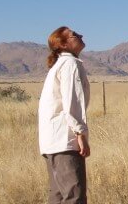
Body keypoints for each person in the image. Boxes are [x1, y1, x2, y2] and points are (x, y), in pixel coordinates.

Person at [38, 26, 91, 204]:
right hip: (65, 140)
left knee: (58, 195)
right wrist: (80, 134)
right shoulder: (70, 64)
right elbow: (72, 101)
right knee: (74, 195)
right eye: (75, 35)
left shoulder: (59, 65)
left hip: (52, 141)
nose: (81, 35)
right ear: (64, 44)